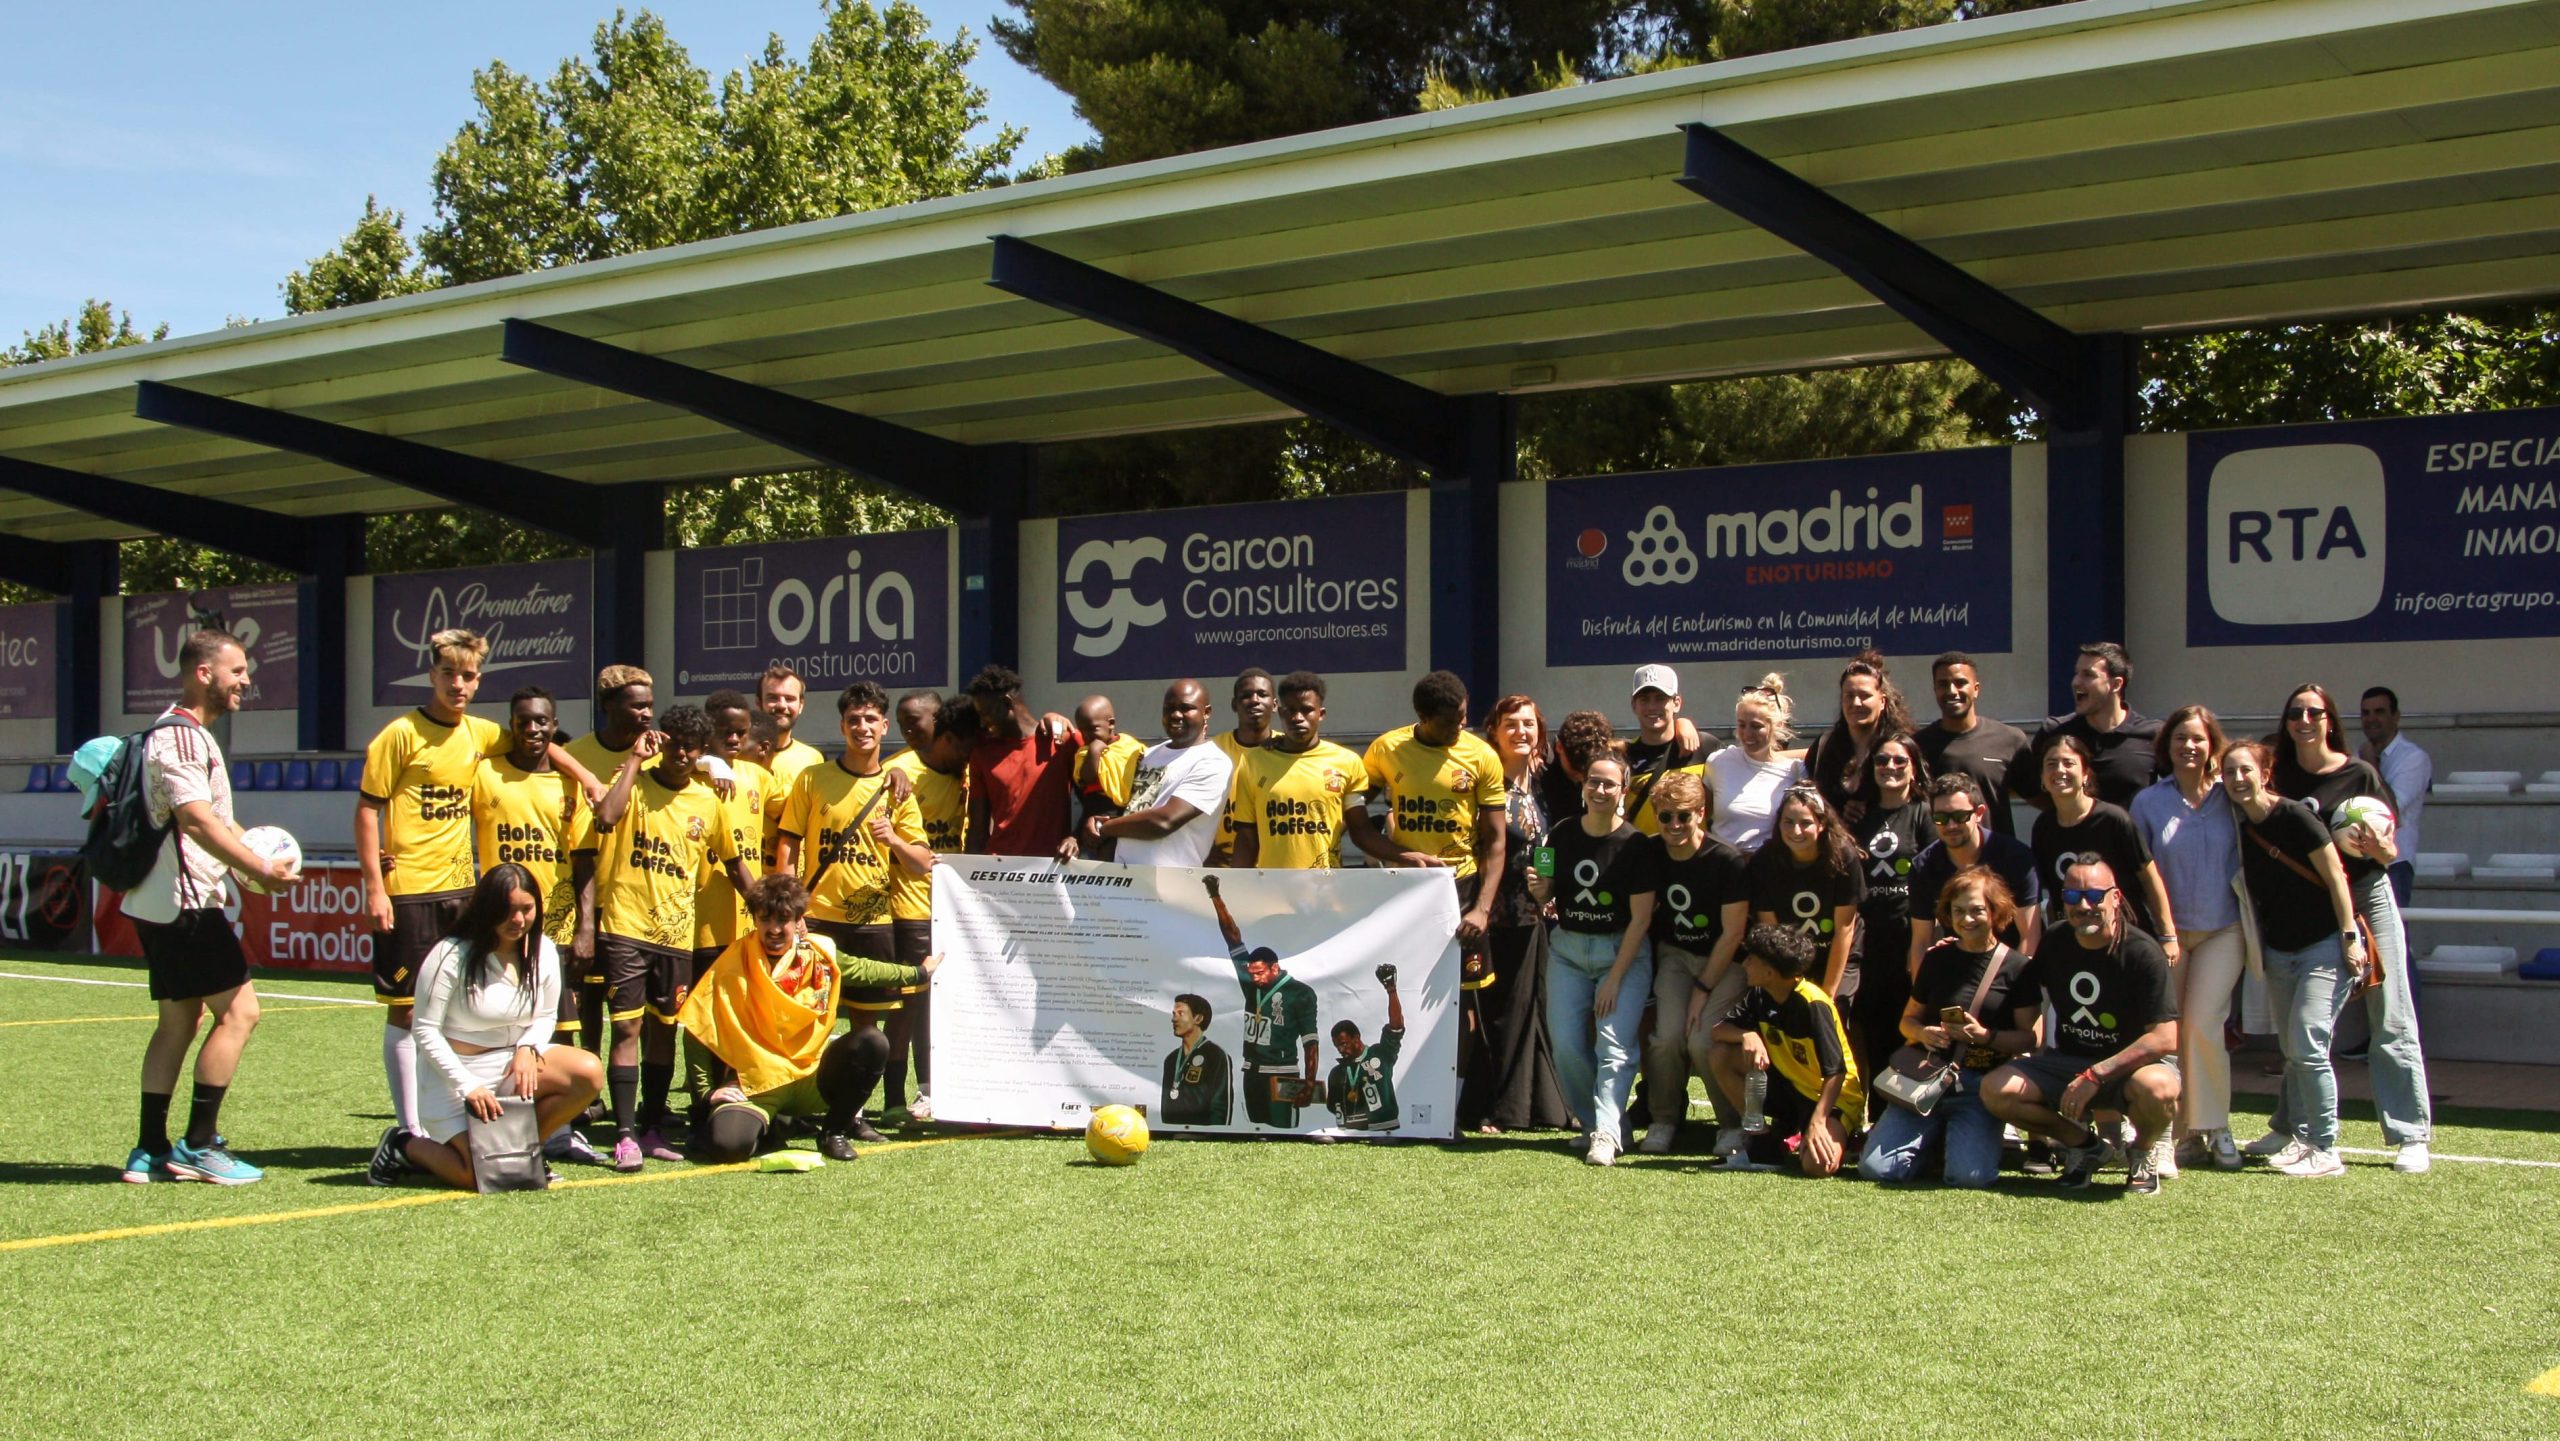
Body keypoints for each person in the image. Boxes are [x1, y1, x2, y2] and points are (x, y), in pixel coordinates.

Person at [359, 629, 599, 1138]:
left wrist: (591, 780)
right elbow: (367, 807)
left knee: (460, 1009)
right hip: (408, 889)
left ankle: (472, 1121)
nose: (458, 684)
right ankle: (409, 1131)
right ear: (432, 676)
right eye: (448, 674)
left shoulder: (481, 733)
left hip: (463, 891)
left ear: (477, 680)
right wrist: (374, 887)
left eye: (467, 676)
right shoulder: (399, 734)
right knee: (407, 1013)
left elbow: (543, 746)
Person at [115, 630, 297, 1186]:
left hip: (163, 901)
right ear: (203, 673)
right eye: (237, 670)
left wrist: (250, 863)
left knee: (180, 1019)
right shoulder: (183, 738)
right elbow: (196, 819)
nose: (246, 680)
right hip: (188, 904)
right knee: (240, 1013)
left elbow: (213, 821)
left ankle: (148, 1149)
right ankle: (199, 1146)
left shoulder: (189, 736)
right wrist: (258, 869)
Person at [578, 705, 751, 1170]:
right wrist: (634, 761)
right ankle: (624, 1133)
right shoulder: (633, 783)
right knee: (627, 1028)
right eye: (674, 743)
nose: (681, 753)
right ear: (662, 742)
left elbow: (734, 864)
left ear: (700, 752)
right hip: (625, 928)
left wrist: (771, 909)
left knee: (664, 1032)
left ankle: (652, 1126)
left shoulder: (706, 802)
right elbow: (606, 819)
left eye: (690, 747)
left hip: (677, 937)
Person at [2270, 683, 2431, 1173]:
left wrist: (2380, 850)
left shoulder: (2358, 772)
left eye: (2314, 712)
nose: (2304, 719)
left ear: (2329, 720)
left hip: (2367, 896)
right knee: (2300, 1024)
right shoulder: (2278, 775)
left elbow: (2389, 847)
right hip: (2310, 903)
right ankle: (2290, 1127)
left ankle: (2410, 1134)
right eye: (2295, 711)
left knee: (2391, 1014)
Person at [368, 864, 604, 1189]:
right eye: (507, 911)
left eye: (527, 909)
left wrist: (527, 1047)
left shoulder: (544, 951)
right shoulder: (450, 954)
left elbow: (546, 1016)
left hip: (510, 1067)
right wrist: (467, 1085)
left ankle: (525, 1152)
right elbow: (424, 1030)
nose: (518, 920)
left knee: (588, 1071)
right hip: (450, 1077)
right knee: (477, 1177)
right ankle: (404, 1145)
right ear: (487, 909)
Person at [679, 874, 940, 1163]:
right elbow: (696, 1027)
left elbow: (865, 970)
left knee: (872, 1041)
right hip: (756, 1085)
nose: (774, 929)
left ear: (798, 920)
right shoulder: (733, 963)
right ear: (755, 919)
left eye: (783, 920)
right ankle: (774, 1124)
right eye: (766, 920)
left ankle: (832, 1132)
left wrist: (918, 973)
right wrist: (706, 1095)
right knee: (728, 1147)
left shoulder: (819, 953)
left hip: (811, 1077)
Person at [774, 681, 932, 1143]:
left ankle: (850, 1115)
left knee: (868, 1025)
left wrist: (895, 841)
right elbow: (789, 843)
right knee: (802, 1015)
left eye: (870, 720)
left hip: (872, 921)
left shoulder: (897, 789)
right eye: (853, 720)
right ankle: (790, 1107)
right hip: (817, 918)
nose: (862, 727)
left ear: (884, 727)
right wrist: (792, 910)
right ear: (841, 726)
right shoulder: (813, 778)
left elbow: (923, 862)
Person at [1981, 859, 2181, 1195]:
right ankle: (2086, 1146)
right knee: (1996, 1090)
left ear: (2115, 897)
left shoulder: (2142, 952)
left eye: (2093, 895)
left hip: (2130, 1069)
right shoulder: (2058, 939)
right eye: (2072, 895)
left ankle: (2143, 1152)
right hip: (2068, 1063)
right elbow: (2020, 980)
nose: (2083, 905)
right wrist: (1966, 953)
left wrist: (2096, 1075)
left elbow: (2164, 1037)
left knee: (2160, 1089)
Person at [2223, 740, 2371, 1181]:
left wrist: (2349, 937)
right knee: (2292, 1050)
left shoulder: (2295, 817)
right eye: (2229, 772)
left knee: (2308, 1044)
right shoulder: (2240, 826)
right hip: (2280, 951)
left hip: (2323, 947)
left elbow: (2336, 878)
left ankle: (2324, 1146)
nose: (2237, 779)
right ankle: (2289, 1130)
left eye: (2245, 770)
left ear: (2264, 773)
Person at [1857, 868, 2036, 1188]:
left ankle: (1949, 1143)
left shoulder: (2017, 967)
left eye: (1977, 910)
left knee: (1968, 1178)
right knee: (1876, 1170)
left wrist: (1986, 1036)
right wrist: (1923, 1033)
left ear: (1995, 911)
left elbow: (2030, 1038)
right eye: (1958, 911)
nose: (1967, 919)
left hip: (1979, 1087)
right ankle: (1934, 1142)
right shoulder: (1937, 959)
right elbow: (1907, 1021)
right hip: (1924, 1081)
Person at [1525, 752, 1659, 1166]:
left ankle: (1606, 1133)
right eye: (1593, 782)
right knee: (1565, 1045)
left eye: (1609, 784)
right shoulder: (1561, 834)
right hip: (1568, 950)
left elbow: (1640, 921)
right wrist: (1539, 888)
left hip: (1622, 952)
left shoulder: (1636, 845)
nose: (1600, 790)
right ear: (1584, 786)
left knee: (1614, 1047)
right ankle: (1595, 1123)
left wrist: (1616, 978)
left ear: (1623, 791)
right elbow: (1545, 892)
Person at [2131, 705, 2245, 1170]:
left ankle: (2215, 1126)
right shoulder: (2148, 803)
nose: (2189, 747)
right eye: (2180, 739)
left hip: (2224, 929)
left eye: (2198, 738)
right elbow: (2138, 870)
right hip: (2168, 937)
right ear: (2168, 747)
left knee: (2203, 1027)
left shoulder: (2231, 798)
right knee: (2169, 1036)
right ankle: (2175, 1135)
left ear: (2212, 745)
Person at [1468, 695, 1573, 1135]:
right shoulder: (1484, 784)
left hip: (1535, 915)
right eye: (1511, 724)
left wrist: (1545, 886)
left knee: (1534, 1010)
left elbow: (1543, 845)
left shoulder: (1544, 784)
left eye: (1529, 724)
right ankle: (1494, 1108)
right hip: (1492, 913)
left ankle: (1542, 1107)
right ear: (1493, 731)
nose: (1521, 732)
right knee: (1499, 1013)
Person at [1363, 669, 1507, 970]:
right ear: (1423, 715)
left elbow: (1495, 840)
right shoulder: (1387, 749)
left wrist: (1482, 909)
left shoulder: (1482, 756)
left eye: (1463, 716)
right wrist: (1395, 855)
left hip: (1462, 886)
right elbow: (1354, 815)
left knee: (1463, 993)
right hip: (1406, 886)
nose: (1460, 726)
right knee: (1407, 978)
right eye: (1449, 722)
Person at [1638, 771, 1749, 1153]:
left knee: (1703, 1039)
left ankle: (1732, 1124)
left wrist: (1703, 990)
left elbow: (1733, 934)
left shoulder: (1726, 859)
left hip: (1726, 959)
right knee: (1667, 1037)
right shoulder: (1649, 851)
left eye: (1684, 815)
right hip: (1675, 955)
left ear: (1701, 813)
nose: (1674, 825)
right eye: (1666, 816)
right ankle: (1664, 1120)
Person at [1706, 925, 1863, 1176]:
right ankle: (1763, 1143)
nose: (1744, 964)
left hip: (1832, 1098)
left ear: (1770, 972)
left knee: (1817, 1167)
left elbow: (1836, 1073)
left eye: (1751, 959)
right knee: (1721, 1054)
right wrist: (1746, 1034)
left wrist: (1819, 1121)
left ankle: (1847, 1137)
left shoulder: (1813, 1004)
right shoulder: (1759, 994)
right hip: (1790, 1088)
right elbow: (1717, 1031)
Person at [883, 691, 974, 1123]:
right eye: (902, 723)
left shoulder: (966, 769)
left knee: (950, 1003)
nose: (909, 730)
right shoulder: (897, 773)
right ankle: (896, 1097)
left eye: (916, 721)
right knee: (911, 1005)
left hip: (957, 908)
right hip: (911, 907)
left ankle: (938, 1090)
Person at [567, 663, 658, 1058]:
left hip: (641, 902)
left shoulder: (657, 753)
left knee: (644, 1009)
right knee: (586, 999)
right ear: (608, 704)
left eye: (650, 705)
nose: (647, 714)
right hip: (588, 893)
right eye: (637, 706)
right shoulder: (575, 757)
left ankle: (648, 1099)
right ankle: (586, 1091)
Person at [686, 690, 771, 1111]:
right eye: (725, 733)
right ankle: (698, 1092)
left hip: (746, 917)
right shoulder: (693, 774)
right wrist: (707, 761)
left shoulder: (757, 777)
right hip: (702, 918)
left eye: (741, 732)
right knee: (697, 1010)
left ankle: (730, 1088)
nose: (734, 740)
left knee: (738, 1008)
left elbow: (801, 804)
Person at [1226, 671, 1392, 870]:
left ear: (1321, 714)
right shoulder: (1254, 761)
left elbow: (1362, 832)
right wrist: (1235, 889)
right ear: (1280, 711)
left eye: (1306, 710)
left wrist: (1408, 855)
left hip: (1325, 887)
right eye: (1290, 710)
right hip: (1273, 888)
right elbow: (1246, 838)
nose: (1297, 718)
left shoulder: (1346, 762)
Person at [1851, 734, 1933, 1109]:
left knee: (1907, 1027)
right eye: (1882, 760)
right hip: (1868, 939)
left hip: (1909, 938)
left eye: (1900, 761)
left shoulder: (1925, 813)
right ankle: (1869, 1113)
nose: (1890, 768)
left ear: (1914, 767)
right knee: (1868, 1027)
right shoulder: (1859, 814)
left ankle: (1904, 1111)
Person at [1070, 680, 1232, 868]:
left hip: (1168, 885)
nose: (1176, 715)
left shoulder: (1212, 761)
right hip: (1122, 878)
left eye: (1186, 708)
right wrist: (1091, 825)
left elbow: (1164, 821)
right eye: (1169, 708)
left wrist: (1105, 827)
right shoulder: (1148, 754)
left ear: (1206, 712)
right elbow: (1127, 807)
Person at [2031, 734, 2176, 945]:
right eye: (2051, 764)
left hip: (2124, 937)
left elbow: (2149, 878)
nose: (2059, 770)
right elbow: (2053, 894)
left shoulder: (2113, 819)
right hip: (2076, 939)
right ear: (2043, 778)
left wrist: (2167, 934)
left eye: (2068, 763)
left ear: (2085, 775)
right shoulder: (2043, 827)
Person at [1204, 876, 1321, 1128]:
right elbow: (1233, 938)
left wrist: (1309, 1083)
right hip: (1252, 1071)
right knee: (1256, 1131)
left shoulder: (1300, 993)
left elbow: (1310, 1042)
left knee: (1284, 1132)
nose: (1254, 978)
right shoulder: (1250, 984)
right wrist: (1215, 896)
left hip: (1283, 1072)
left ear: (1275, 968)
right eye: (1252, 973)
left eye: (1260, 973)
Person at [1905, 774, 2042, 977]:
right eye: (1941, 818)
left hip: (2010, 970)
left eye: (1960, 816)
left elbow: (2030, 936)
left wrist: (2016, 990)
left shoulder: (2015, 858)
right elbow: (1921, 941)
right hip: (1956, 971)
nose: (1950, 825)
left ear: (1979, 813)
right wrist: (1921, 1001)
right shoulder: (1924, 867)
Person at [1748, 783, 1865, 1010]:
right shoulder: (1765, 861)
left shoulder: (1843, 856)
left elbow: (1845, 929)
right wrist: (1793, 985)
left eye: (1806, 823)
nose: (1796, 831)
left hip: (1836, 952)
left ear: (1821, 824)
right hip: (1788, 956)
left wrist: (1827, 996)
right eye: (1788, 822)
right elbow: (1773, 932)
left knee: (1831, 1013)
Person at [966, 664, 1081, 857]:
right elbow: (978, 828)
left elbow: (1094, 801)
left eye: (985, 713)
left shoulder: (1061, 740)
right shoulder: (982, 755)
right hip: (1000, 869)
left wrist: (1075, 837)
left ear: (1007, 702)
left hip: (1051, 868)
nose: (982, 722)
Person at [2030, 642, 2162, 809]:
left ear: (2116, 684)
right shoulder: (2055, 732)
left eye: (2088, 675)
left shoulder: (2153, 734)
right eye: (2076, 673)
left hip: (2131, 835)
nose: (2076, 682)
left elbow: (2180, 788)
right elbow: (2030, 790)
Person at [1916, 651, 2035, 837]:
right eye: (1943, 684)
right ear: (1935, 690)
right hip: (1942, 859)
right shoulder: (1919, 746)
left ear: (1976, 689)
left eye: (1960, 682)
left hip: (1996, 859)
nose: (1952, 691)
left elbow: (2040, 798)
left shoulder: (2010, 740)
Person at [1810, 651, 1913, 825]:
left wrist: (1872, 808)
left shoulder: (1902, 747)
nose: (1856, 703)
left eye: (1865, 696)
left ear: (1883, 701)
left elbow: (1917, 799)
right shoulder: (1824, 747)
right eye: (1849, 696)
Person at [1708, 674, 1807, 852]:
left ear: (1778, 725)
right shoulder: (1719, 761)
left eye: (1756, 726)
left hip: (1768, 869)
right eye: (1741, 724)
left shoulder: (1795, 771)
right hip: (1722, 869)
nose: (1747, 734)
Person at [2358, 686, 2431, 910]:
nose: (2371, 719)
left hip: (2394, 864)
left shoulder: (2414, 758)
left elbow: (2392, 812)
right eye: (2366, 713)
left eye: (2379, 711)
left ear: (2395, 716)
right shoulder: (2357, 755)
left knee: (2393, 942)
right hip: (2359, 861)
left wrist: (2370, 766)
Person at [1624, 664, 1713, 836]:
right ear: (1633, 705)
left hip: (1693, 858)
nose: (1652, 706)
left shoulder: (1704, 746)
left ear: (1677, 703)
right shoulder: (1623, 756)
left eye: (1660, 698)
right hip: (1641, 858)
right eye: (1644, 699)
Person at [1206, 668, 1278, 866]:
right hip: (1222, 866)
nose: (1254, 700)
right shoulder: (1211, 750)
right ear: (1234, 705)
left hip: (1275, 868)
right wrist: (1200, 850)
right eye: (1246, 696)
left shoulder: (1289, 749)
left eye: (1262, 694)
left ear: (1275, 705)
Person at [1325, 964, 1406, 1132]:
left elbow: (1396, 1026)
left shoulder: (1381, 1053)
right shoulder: (1337, 1072)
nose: (1340, 1049)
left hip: (1385, 1127)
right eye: (1337, 1046)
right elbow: (1332, 1106)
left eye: (1344, 1044)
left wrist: (1391, 991)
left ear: (1356, 1038)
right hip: (1348, 1131)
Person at [1070, 693, 1147, 859]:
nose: (1087, 735)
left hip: (1124, 814)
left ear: (1110, 723)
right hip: (1095, 812)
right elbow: (1087, 777)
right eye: (1082, 730)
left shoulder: (1130, 747)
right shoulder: (1085, 752)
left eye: (1092, 729)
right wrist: (1094, 751)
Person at [1160, 993, 1234, 1127]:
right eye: (1173, 1014)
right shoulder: (1171, 1059)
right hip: (1174, 1134)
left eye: (1180, 1013)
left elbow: (1221, 1104)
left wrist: (1216, 1135)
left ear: (1198, 1018)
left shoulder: (1216, 1055)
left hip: (1204, 1136)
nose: (1173, 1019)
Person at [758, 664, 826, 800]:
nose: (781, 705)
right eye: (772, 698)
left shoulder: (813, 759)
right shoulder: (740, 755)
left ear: (801, 706)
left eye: (789, 699)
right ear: (759, 703)